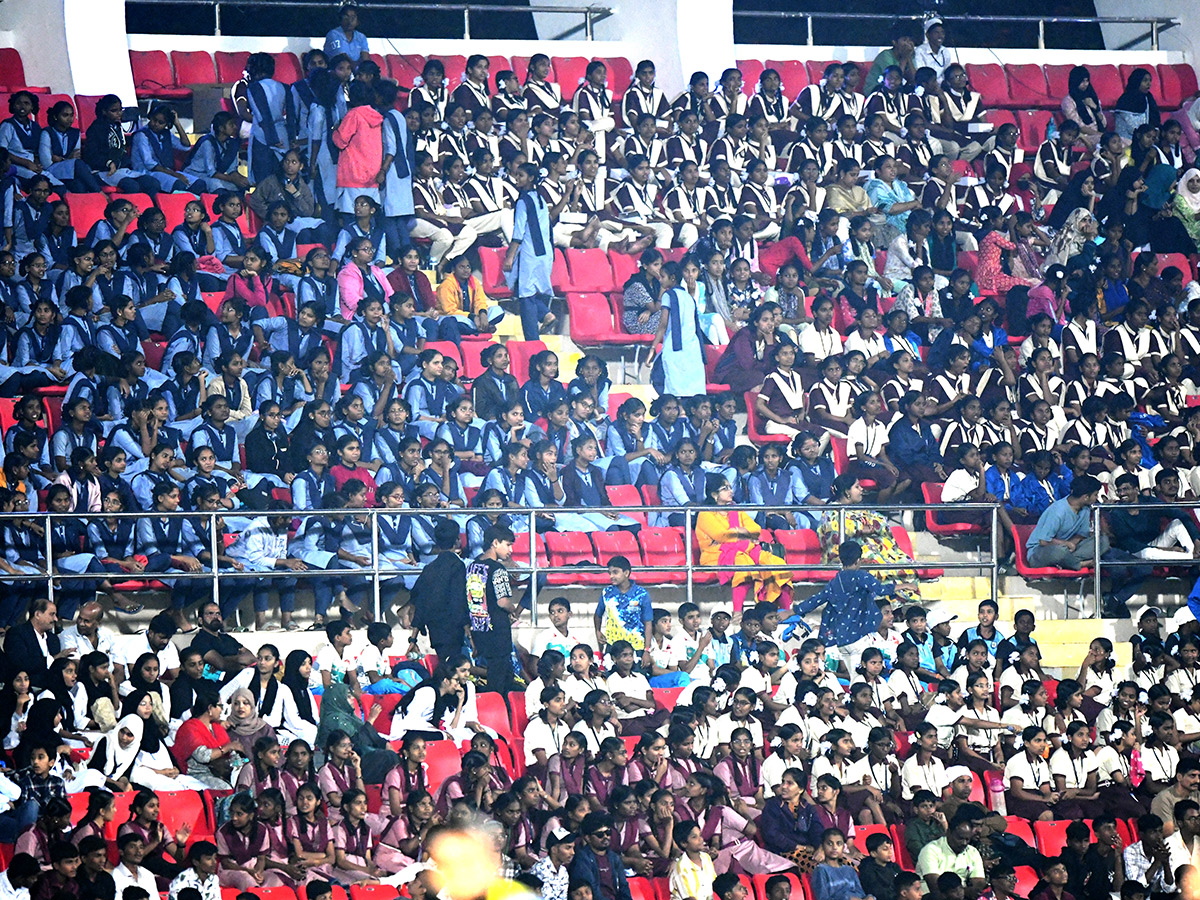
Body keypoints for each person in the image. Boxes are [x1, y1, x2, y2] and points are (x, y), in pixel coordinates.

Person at [696, 475, 793, 611]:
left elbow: (756, 529)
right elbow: (721, 535)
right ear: (714, 494)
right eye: (725, 488)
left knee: (776, 564)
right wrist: (742, 533)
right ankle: (737, 612)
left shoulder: (735, 510)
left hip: (745, 550)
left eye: (730, 487)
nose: (731, 491)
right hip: (715, 556)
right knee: (744, 563)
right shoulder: (705, 514)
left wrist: (736, 532)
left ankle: (785, 611)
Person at [504, 162, 555, 339]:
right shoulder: (540, 198)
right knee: (527, 290)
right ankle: (546, 314)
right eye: (516, 175)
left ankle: (532, 339)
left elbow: (518, 232)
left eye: (521, 176)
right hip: (545, 251)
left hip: (530, 252)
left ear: (531, 178)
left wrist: (509, 257)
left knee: (525, 295)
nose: (517, 179)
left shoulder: (522, 201)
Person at [467, 524, 518, 695]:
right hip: (497, 630)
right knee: (500, 679)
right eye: (508, 544)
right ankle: (500, 711)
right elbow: (503, 602)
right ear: (495, 543)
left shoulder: (472, 566)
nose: (510, 550)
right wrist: (514, 609)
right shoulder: (498, 569)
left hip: (479, 628)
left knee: (491, 674)